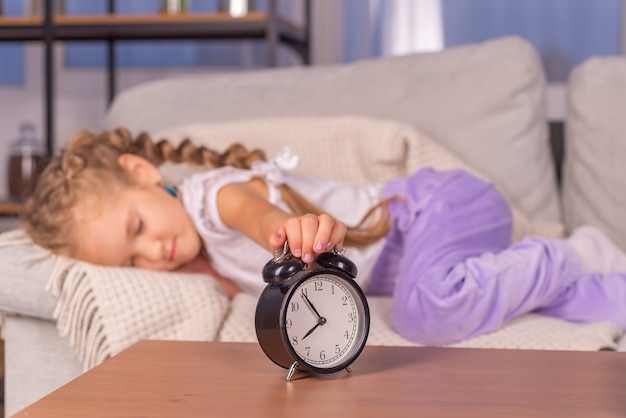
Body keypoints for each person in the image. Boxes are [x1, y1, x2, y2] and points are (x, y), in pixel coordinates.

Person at [21, 128, 626, 346]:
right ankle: (600, 278)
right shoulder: (194, 259)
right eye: (132, 259)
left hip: (438, 206)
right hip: (434, 245)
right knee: (555, 301)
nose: (153, 252)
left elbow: (254, 218)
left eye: (138, 228)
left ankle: (564, 251)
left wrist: (287, 232)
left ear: (142, 172)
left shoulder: (213, 195)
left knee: (425, 316)